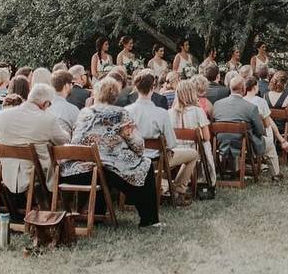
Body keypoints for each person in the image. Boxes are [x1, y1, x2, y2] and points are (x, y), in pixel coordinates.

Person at [61, 77, 160, 228]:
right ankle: (149, 219)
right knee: (145, 165)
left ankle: (98, 213)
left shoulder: (84, 112)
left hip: (76, 170)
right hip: (104, 169)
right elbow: (138, 145)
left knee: (104, 167)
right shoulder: (120, 113)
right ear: (115, 95)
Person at [125, 72, 198, 204]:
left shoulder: (126, 111)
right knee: (193, 154)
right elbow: (172, 143)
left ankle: (168, 187)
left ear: (136, 87)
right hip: (156, 159)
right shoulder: (161, 113)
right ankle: (178, 190)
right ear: (153, 88)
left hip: (132, 157)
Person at [0, 84, 71, 198]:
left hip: (7, 172)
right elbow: (64, 140)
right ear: (46, 104)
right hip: (36, 174)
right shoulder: (47, 119)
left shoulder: (2, 115)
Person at [212, 76, 268, 175]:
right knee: (266, 141)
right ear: (244, 89)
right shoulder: (251, 107)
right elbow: (259, 130)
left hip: (220, 143)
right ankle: (274, 173)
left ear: (230, 88)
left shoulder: (217, 105)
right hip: (242, 144)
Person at [168, 80, 215, 186]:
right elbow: (207, 137)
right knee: (206, 144)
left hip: (175, 149)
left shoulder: (169, 113)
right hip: (193, 149)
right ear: (192, 93)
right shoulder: (197, 111)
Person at [265, 70, 288, 142]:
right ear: (285, 84)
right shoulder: (287, 97)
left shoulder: (265, 95)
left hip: (269, 126)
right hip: (283, 128)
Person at [49, 70, 81, 135]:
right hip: (66, 143)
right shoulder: (72, 109)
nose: (72, 86)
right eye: (71, 83)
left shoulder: (45, 107)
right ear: (66, 86)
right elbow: (80, 132)